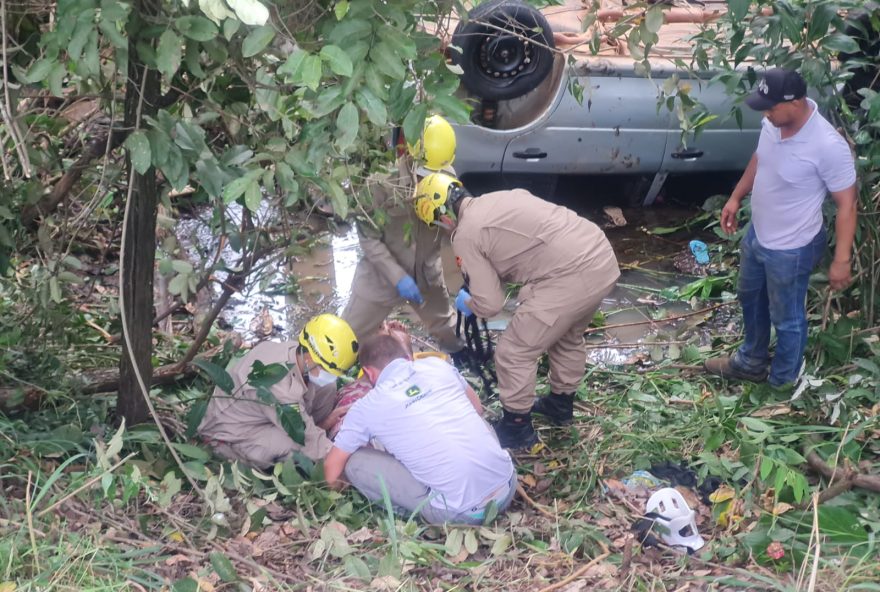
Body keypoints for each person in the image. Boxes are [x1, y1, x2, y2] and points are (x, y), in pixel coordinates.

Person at [413, 174, 621, 449]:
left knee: (514, 351)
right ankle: (560, 404)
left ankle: (517, 427)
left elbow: (491, 304)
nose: (442, 227)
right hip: (600, 257)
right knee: (567, 336)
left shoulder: (465, 235)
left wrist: (469, 303)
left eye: (438, 221)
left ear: (443, 214)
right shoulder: (499, 197)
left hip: (570, 275)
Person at [704, 68, 857, 388]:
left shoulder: (827, 145)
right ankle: (751, 362)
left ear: (798, 102)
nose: (766, 114)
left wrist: (842, 259)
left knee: (787, 319)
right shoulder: (774, 123)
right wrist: (735, 197)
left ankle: (783, 382)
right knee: (750, 297)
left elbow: (847, 204)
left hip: (792, 248)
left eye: (771, 107)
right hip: (758, 234)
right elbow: (761, 157)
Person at [324, 333, 517, 524]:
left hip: (463, 514)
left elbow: (331, 471)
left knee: (354, 463)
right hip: (508, 486)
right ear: (409, 357)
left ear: (369, 373)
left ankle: (415, 513)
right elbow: (477, 407)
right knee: (472, 420)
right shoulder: (438, 366)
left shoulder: (368, 406)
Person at [342, 115, 466, 363]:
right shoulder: (381, 183)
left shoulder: (448, 179)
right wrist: (398, 277)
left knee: (451, 333)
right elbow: (368, 238)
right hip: (381, 279)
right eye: (425, 172)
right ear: (410, 155)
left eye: (437, 172)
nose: (430, 177)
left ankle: (466, 365)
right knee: (347, 342)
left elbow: (458, 231)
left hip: (427, 276)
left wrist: (471, 276)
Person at [198, 314, 358, 468]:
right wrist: (341, 459)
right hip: (231, 435)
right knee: (293, 443)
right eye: (328, 371)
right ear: (310, 358)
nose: (330, 376)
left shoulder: (294, 350)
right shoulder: (281, 389)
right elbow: (303, 437)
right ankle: (315, 443)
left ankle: (316, 430)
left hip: (260, 414)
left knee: (327, 387)